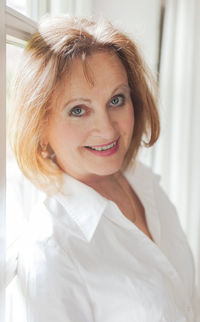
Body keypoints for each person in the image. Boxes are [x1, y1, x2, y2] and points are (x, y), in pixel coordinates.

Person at [9, 15, 197, 322]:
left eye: (116, 100)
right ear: (39, 125)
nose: (107, 129)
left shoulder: (143, 183)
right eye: (78, 110)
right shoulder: (52, 249)